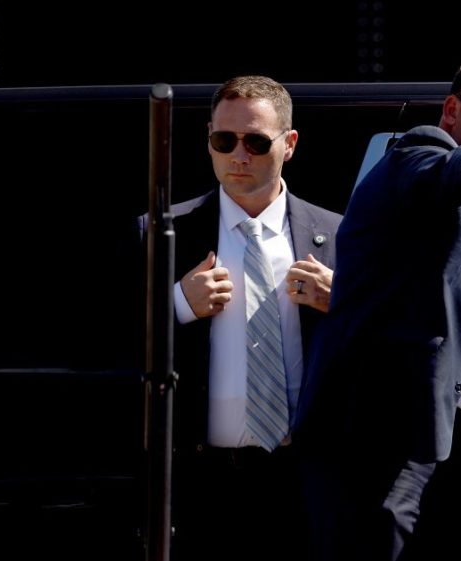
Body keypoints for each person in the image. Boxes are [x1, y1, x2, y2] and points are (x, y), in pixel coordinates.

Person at [293, 55, 461, 561]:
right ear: (452, 109)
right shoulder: (418, 151)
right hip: (381, 440)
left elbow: (460, 312)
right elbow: (444, 172)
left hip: (442, 438)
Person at [138, 75, 343, 560]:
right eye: (223, 140)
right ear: (209, 138)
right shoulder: (161, 233)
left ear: (289, 144)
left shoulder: (339, 235)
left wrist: (344, 305)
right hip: (199, 482)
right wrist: (177, 304)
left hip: (304, 479)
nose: (239, 155)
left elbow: (386, 345)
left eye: (255, 141)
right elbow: (103, 346)